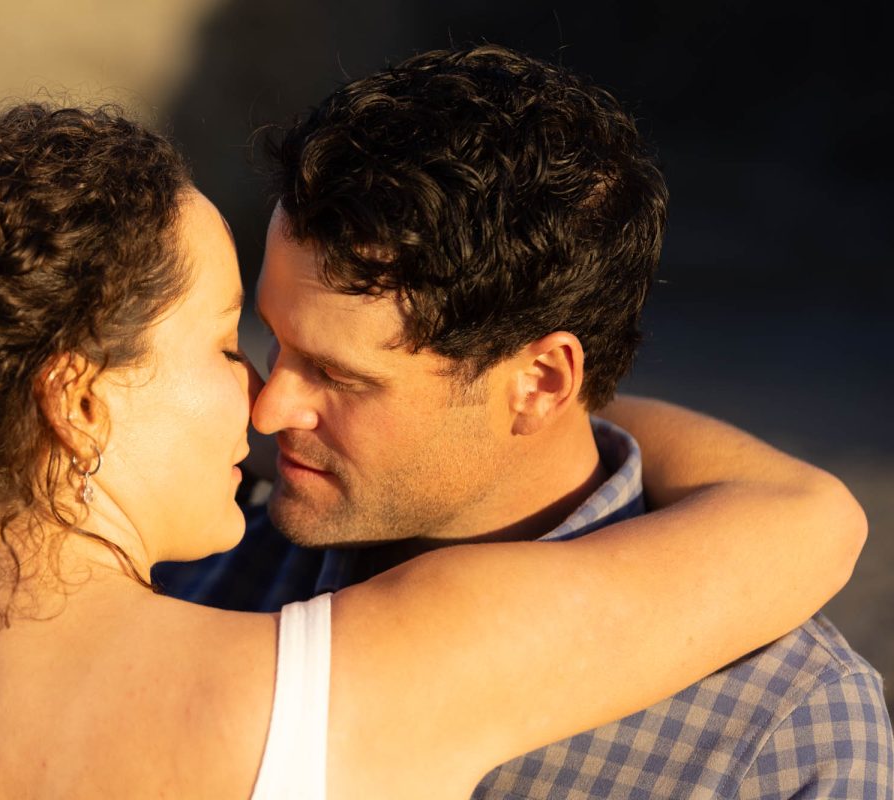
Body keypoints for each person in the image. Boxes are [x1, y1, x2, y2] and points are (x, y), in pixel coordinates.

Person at [0, 73, 863, 800]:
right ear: (79, 398)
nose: (262, 403)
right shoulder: (365, 674)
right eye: (231, 342)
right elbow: (813, 518)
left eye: (333, 371)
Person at [155, 44, 894, 798]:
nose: (269, 407)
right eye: (272, 341)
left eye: (340, 377)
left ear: (540, 382)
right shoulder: (187, 568)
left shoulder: (782, 737)